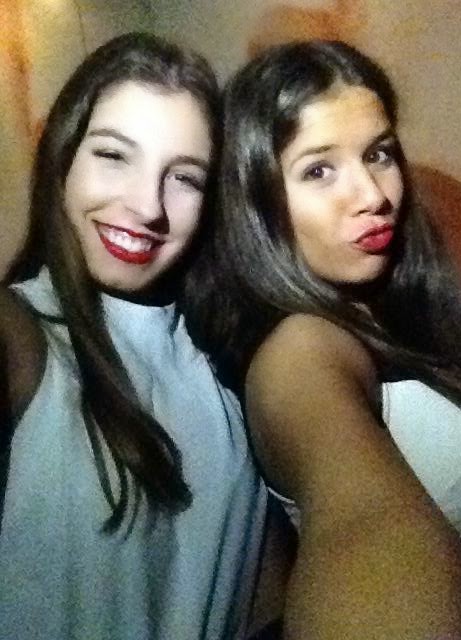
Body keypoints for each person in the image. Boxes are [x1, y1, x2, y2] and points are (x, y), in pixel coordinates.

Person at [184, 40, 461, 639]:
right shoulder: (299, 352)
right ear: (257, 201)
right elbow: (364, 530)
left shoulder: (398, 307)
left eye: (378, 154)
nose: (373, 195)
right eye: (319, 170)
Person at [0, 32, 271, 640]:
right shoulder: (22, 335)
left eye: (185, 178)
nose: (148, 206)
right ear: (62, 157)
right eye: (114, 155)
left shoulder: (231, 367)